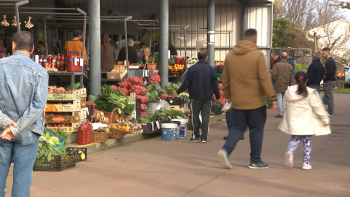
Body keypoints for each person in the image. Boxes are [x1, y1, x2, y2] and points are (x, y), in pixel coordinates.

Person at [217, 29, 277, 169]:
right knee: (256, 129)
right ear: (254, 40)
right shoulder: (257, 55)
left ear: (242, 38)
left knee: (237, 128)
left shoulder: (230, 55)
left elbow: (225, 79)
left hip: (237, 102)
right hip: (256, 102)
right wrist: (272, 98)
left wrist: (228, 96)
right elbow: (264, 79)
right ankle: (255, 160)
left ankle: (225, 150)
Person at [0, 31, 48, 196]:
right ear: (33, 48)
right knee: (22, 181)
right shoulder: (40, 72)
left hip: (1, 132)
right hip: (28, 133)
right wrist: (17, 128)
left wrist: (6, 122)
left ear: (12, 45)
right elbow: (38, 106)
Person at [279, 71, 330, 170]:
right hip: (307, 121)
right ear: (306, 80)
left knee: (294, 139)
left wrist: (285, 114)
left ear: (295, 80)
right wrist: (324, 119)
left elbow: (284, 104)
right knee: (307, 142)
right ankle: (305, 163)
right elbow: (318, 107)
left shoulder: (289, 91)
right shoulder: (310, 92)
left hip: (294, 120)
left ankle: (290, 152)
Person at [172, 50, 220, 143]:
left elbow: (186, 83)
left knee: (195, 116)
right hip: (207, 97)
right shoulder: (211, 69)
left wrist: (177, 92)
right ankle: (204, 137)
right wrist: (218, 97)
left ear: (198, 58)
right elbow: (215, 85)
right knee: (206, 116)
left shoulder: (192, 69)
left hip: (195, 96)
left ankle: (195, 136)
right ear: (207, 58)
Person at [271, 52, 294, 118]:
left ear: (280, 57)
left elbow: (274, 75)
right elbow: (291, 77)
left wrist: (274, 81)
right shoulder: (289, 66)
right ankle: (285, 112)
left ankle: (280, 113)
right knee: (284, 99)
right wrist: (291, 84)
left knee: (279, 98)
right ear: (287, 57)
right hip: (286, 84)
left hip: (278, 84)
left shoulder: (277, 65)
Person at [321, 47, 336, 116]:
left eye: (324, 53)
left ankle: (330, 112)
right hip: (330, 80)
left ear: (328, 53)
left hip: (330, 81)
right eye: (322, 53)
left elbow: (329, 73)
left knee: (329, 96)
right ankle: (329, 110)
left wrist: (325, 80)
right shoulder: (329, 61)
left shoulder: (330, 62)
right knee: (328, 96)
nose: (323, 55)